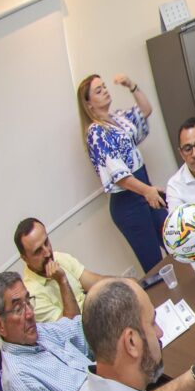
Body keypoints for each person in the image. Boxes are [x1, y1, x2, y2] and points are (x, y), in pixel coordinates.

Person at [77, 72, 167, 271]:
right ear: (88, 104)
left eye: (104, 86)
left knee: (175, 238)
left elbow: (146, 110)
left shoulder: (117, 118)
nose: (105, 91)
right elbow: (118, 176)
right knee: (155, 264)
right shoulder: (96, 133)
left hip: (145, 190)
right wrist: (147, 191)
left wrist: (131, 85)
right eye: (98, 90)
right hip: (129, 203)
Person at [15, 217, 109, 321]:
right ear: (25, 258)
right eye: (38, 251)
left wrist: (123, 284)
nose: (47, 253)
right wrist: (62, 281)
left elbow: (97, 282)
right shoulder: (32, 295)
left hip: (97, 313)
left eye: (46, 242)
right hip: (85, 327)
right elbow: (72, 326)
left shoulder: (57, 257)